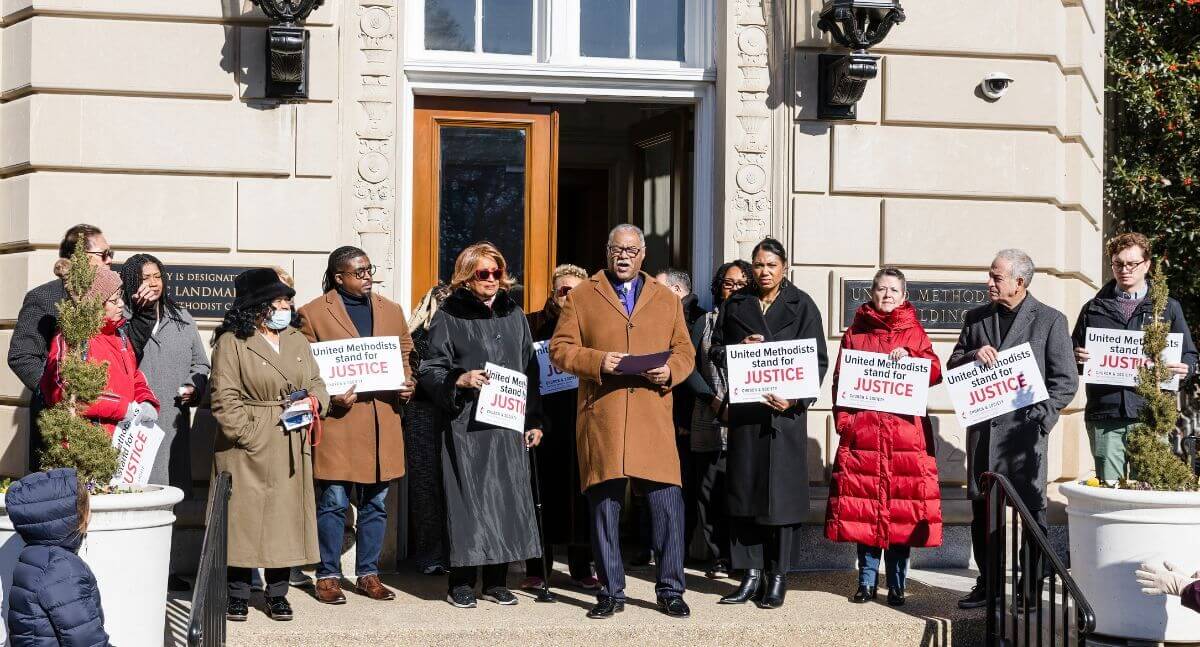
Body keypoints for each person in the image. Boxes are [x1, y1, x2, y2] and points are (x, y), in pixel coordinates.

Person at [550, 224, 696, 620]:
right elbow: (559, 350)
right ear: (607, 251)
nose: (624, 256)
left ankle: (670, 589)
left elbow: (685, 351)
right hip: (604, 416)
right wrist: (598, 361)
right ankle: (611, 591)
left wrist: (671, 373)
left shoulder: (667, 299)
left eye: (631, 249)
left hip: (652, 415)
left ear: (643, 254)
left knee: (667, 506)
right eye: (617, 249)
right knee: (605, 509)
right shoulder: (581, 296)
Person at [416, 242, 545, 609]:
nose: (491, 280)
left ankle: (496, 581)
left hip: (508, 423)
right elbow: (431, 367)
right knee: (468, 501)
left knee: (506, 499)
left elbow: (529, 371)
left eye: (496, 273)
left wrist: (534, 419)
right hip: (467, 425)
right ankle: (461, 582)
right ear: (467, 277)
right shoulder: (449, 315)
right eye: (483, 273)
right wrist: (459, 379)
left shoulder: (515, 314)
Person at [951, 249, 1079, 610]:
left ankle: (1030, 589)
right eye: (990, 276)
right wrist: (972, 357)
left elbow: (1065, 382)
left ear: (1019, 282)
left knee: (1032, 516)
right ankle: (988, 584)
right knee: (984, 515)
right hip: (984, 436)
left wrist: (1042, 419)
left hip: (1024, 439)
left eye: (996, 277)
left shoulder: (1050, 320)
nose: (989, 282)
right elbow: (953, 365)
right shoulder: (975, 318)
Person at [709, 237, 829, 609]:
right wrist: (738, 349)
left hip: (784, 418)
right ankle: (749, 575)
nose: (763, 272)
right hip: (747, 415)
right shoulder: (737, 304)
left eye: (770, 265)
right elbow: (714, 349)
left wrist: (795, 399)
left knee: (779, 501)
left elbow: (818, 360)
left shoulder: (802, 304)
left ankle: (777, 576)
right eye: (758, 265)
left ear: (784, 268)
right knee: (745, 494)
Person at [209, 268, 329, 622]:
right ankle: (237, 594)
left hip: (292, 439)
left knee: (284, 518)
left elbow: (317, 381)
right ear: (257, 305)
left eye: (286, 300)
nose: (285, 306)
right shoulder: (232, 341)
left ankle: (278, 593)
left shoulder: (296, 339)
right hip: (247, 443)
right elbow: (223, 396)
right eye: (277, 300)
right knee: (241, 519)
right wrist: (248, 434)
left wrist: (316, 402)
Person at [298, 246, 416, 604]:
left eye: (370, 270)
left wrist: (408, 381)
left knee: (376, 504)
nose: (368, 277)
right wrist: (331, 398)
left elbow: (405, 350)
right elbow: (306, 367)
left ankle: (369, 573)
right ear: (339, 277)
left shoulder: (390, 310)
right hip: (340, 423)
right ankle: (328, 574)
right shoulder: (313, 313)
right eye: (360, 272)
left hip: (383, 420)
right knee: (333, 502)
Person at [825, 267, 944, 607]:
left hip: (905, 438)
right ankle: (865, 584)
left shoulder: (915, 333)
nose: (887, 295)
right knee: (865, 516)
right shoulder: (855, 332)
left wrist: (914, 356)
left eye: (893, 289)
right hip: (864, 437)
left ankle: (896, 585)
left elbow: (935, 371)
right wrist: (845, 423)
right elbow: (840, 382)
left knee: (900, 518)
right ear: (872, 293)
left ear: (903, 295)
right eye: (881, 289)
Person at [1071, 233, 1197, 481]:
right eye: (1118, 263)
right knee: (1109, 491)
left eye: (1132, 264)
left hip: (1150, 415)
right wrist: (1076, 356)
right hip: (1106, 415)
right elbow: (1071, 355)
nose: (1124, 270)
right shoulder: (1093, 308)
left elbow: (1189, 354)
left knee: (1148, 489)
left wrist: (1187, 368)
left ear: (1147, 265)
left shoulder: (1167, 307)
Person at [118, 254, 210, 592]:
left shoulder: (181, 316)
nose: (153, 283)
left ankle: (164, 568)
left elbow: (201, 363)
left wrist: (195, 385)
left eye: (157, 276)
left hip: (172, 424)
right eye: (145, 277)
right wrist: (138, 317)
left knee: (167, 497)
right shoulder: (120, 316)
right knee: (133, 495)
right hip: (134, 425)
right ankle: (133, 567)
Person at [520, 264, 599, 592]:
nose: (568, 295)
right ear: (553, 291)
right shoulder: (532, 324)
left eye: (575, 291)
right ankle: (538, 569)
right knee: (541, 495)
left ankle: (582, 568)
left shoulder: (594, 324)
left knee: (584, 498)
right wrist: (532, 421)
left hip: (583, 420)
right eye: (563, 289)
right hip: (543, 422)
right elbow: (524, 373)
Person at [9, 224, 112, 470]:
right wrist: (57, 394)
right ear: (79, 257)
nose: (110, 261)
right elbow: (22, 356)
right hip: (59, 423)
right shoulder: (43, 298)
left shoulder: (110, 297)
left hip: (102, 419)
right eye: (105, 254)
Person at [686, 260, 752, 578]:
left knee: (739, 491)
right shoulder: (704, 322)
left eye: (741, 284)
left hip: (747, 423)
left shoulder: (759, 327)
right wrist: (714, 402)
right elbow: (688, 367)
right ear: (718, 287)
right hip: (708, 417)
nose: (734, 289)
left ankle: (742, 557)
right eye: (729, 283)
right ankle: (718, 556)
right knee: (708, 492)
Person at [41, 266, 159, 439]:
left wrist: (146, 401)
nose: (121, 304)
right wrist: (121, 408)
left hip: (122, 442)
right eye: (114, 300)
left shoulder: (119, 335)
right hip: (88, 444)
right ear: (96, 305)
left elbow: (133, 375)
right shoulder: (73, 337)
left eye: (120, 298)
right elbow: (63, 392)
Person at [6, 468, 110, 647]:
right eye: (87, 508)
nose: (90, 515)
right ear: (71, 517)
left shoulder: (33, 556)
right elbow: (86, 642)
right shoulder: (61, 568)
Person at [404, 283, 453, 576]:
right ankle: (430, 554)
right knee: (426, 485)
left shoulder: (464, 332)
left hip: (454, 415)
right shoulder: (416, 337)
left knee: (453, 485)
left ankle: (453, 553)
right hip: (422, 414)